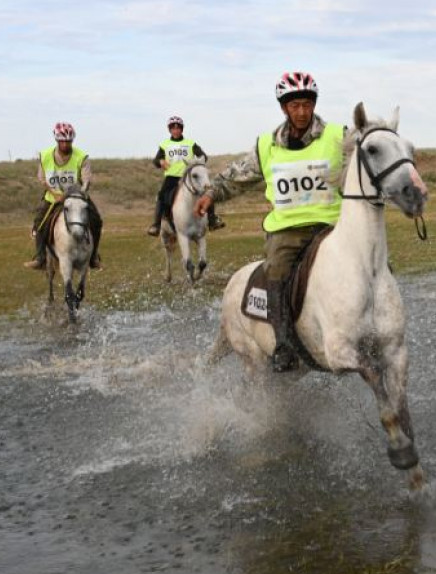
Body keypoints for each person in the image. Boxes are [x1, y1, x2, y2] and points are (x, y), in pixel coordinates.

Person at [194, 71, 344, 372]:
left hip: (331, 226)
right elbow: (236, 176)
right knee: (276, 270)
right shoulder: (267, 145)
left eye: (306, 104)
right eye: (294, 106)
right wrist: (212, 193)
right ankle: (285, 344)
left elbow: (369, 157)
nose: (301, 111)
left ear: (313, 105)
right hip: (286, 230)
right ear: (284, 109)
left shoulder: (338, 136)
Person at [24, 122, 103, 270]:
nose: (66, 144)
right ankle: (40, 257)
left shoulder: (82, 157)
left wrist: (81, 193)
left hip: (76, 196)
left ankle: (93, 257)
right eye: (62, 141)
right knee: (39, 222)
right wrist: (55, 194)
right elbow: (42, 178)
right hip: (53, 197)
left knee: (96, 220)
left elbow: (86, 180)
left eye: (68, 141)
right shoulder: (45, 156)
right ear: (57, 140)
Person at [147, 116, 222, 236]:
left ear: (182, 129)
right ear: (170, 130)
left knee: (207, 191)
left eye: (178, 128)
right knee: (162, 195)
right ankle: (156, 225)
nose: (175, 130)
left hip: (189, 177)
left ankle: (213, 220)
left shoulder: (190, 144)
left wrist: (196, 162)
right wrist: (160, 162)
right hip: (172, 177)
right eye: (173, 128)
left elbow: (203, 157)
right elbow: (156, 160)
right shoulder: (164, 144)